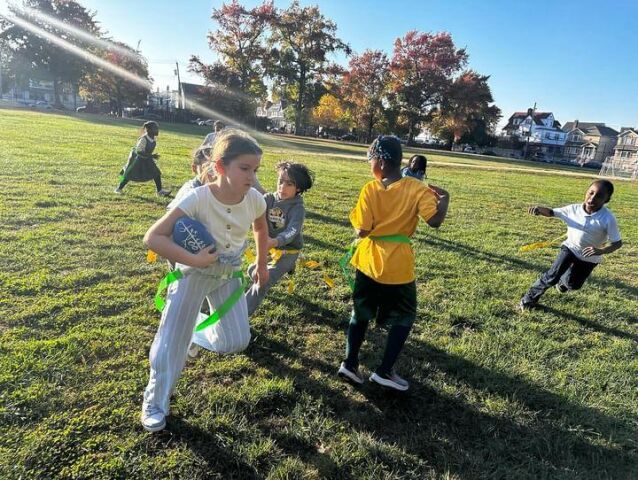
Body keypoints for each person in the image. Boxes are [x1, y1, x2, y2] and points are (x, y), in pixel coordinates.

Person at [140, 130, 270, 432]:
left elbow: (261, 228)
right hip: (193, 275)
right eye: (245, 168)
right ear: (221, 167)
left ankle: (194, 334)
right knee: (170, 345)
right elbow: (153, 237)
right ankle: (155, 402)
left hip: (228, 276)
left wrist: (261, 263)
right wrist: (195, 260)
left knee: (236, 340)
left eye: (255, 170)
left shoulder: (254, 199)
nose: (251, 176)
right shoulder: (197, 197)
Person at [337, 136, 450, 391]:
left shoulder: (369, 188)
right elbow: (434, 221)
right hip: (397, 264)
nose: (370, 167)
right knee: (404, 315)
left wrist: (358, 222)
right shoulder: (417, 188)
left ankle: (350, 363)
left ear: (380, 162)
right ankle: (385, 370)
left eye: (370, 161)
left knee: (361, 312)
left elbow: (362, 230)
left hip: (367, 260)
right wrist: (445, 200)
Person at [519, 180, 622, 311]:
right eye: (591, 193)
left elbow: (617, 243)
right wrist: (539, 210)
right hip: (570, 248)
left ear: (607, 200)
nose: (592, 198)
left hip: (589, 257)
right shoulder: (573, 209)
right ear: (586, 192)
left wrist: (600, 251)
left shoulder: (608, 218)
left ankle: (563, 282)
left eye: (599, 196)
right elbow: (552, 213)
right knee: (551, 276)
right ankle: (528, 300)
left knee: (573, 285)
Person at [245, 161, 314, 316]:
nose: (282, 187)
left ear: (298, 188)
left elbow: (293, 231)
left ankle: (241, 314)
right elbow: (254, 207)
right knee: (252, 270)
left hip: (288, 250)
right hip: (270, 247)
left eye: (289, 184)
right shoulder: (269, 198)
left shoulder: (297, 208)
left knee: (263, 280)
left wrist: (275, 241)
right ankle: (287, 267)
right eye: (280, 181)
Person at [115, 121, 171, 196]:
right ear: (149, 130)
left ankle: (159, 191)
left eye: (157, 128)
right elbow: (139, 151)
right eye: (155, 128)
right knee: (128, 174)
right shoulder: (143, 139)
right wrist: (152, 156)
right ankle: (118, 189)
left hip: (146, 159)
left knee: (156, 173)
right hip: (137, 160)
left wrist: (151, 156)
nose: (157, 130)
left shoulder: (153, 139)